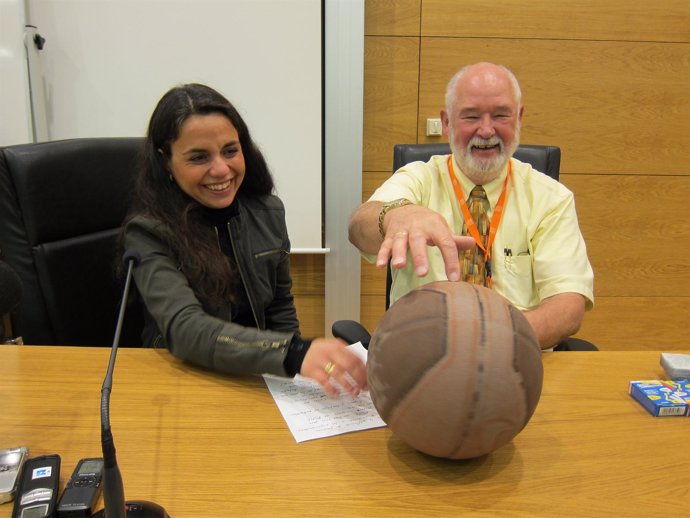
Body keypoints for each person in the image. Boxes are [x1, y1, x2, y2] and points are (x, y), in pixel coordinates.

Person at [121, 83, 367, 397]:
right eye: (199, 157)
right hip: (185, 380)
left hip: (255, 378)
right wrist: (294, 353)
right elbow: (186, 329)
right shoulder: (147, 232)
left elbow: (279, 307)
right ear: (166, 161)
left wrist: (295, 383)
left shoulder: (268, 212)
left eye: (230, 151)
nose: (221, 169)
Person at [348, 62, 594, 349]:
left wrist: (491, 339)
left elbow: (568, 306)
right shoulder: (419, 178)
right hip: (422, 354)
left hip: (514, 353)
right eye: (471, 116)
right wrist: (396, 215)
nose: (487, 130)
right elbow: (358, 228)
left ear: (519, 118)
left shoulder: (551, 198)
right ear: (447, 122)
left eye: (501, 115)